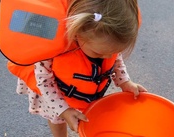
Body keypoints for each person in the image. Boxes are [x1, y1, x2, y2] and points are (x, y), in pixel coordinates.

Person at [8, 0, 147, 136]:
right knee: (57, 119)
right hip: (51, 92)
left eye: (114, 51)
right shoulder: (52, 48)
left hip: (79, 89)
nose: (109, 56)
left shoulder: (104, 44)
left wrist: (125, 82)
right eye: (99, 53)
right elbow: (44, 82)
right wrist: (64, 110)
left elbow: (116, 59)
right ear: (76, 33)